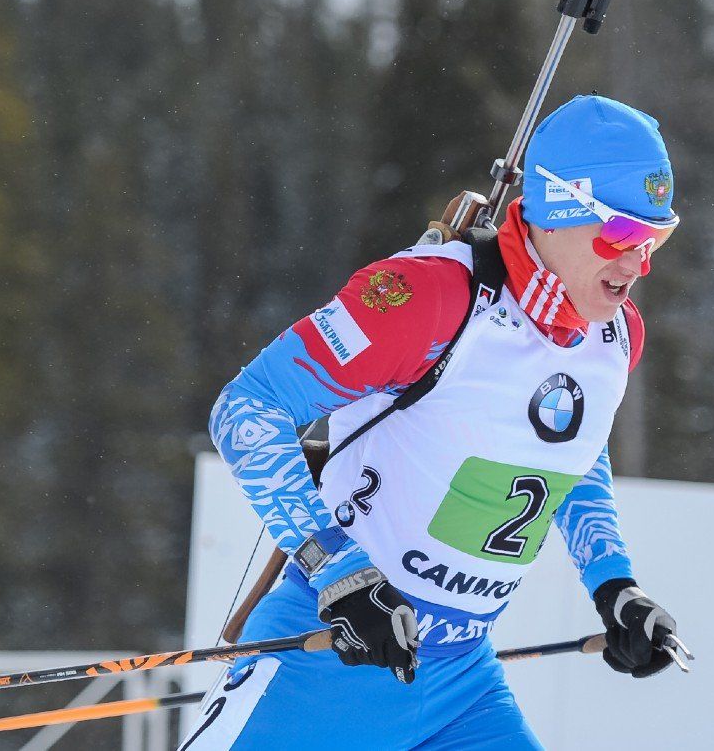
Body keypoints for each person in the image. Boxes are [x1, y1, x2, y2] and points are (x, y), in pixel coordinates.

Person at [182, 95, 683, 750]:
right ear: (559, 210)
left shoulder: (615, 339)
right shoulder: (432, 298)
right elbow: (247, 410)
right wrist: (336, 569)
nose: (637, 264)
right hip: (335, 655)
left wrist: (614, 586)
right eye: (620, 235)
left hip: (457, 684)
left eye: (656, 239)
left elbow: (574, 452)